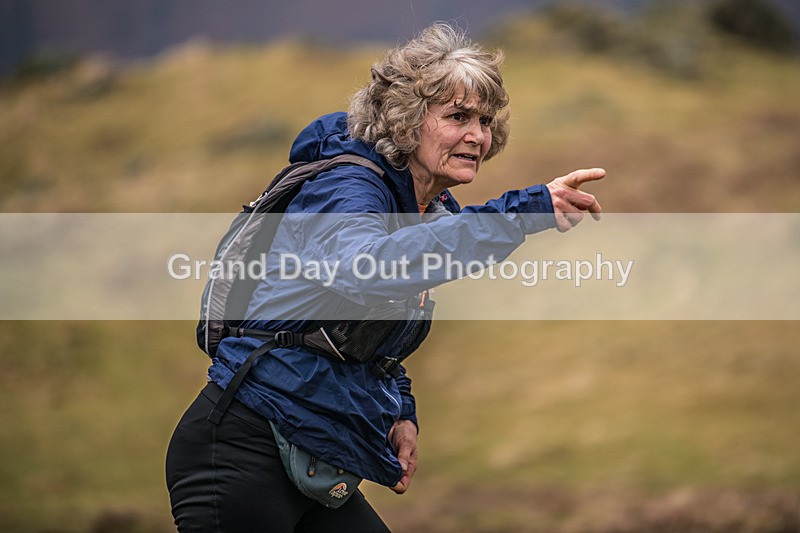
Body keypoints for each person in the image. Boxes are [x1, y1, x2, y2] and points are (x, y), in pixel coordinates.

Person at [166, 22, 603, 532]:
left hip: (313, 457)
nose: (477, 136)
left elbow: (367, 337)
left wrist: (400, 411)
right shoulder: (347, 185)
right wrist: (519, 213)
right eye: (458, 116)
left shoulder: (428, 209)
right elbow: (365, 271)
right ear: (406, 120)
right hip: (243, 450)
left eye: (485, 121)